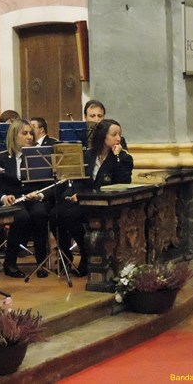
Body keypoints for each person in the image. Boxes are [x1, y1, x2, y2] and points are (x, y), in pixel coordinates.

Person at [50, 118, 133, 276]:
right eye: (114, 134)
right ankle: (69, 253)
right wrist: (76, 194)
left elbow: (123, 181)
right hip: (85, 199)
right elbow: (80, 180)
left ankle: (87, 253)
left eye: (119, 135)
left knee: (70, 215)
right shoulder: (88, 156)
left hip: (105, 203)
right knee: (55, 213)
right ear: (103, 136)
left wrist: (116, 158)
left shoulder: (123, 158)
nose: (118, 138)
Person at [0, 119, 51, 278]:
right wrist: (3, 197)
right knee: (21, 217)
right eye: (25, 133)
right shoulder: (0, 158)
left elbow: (49, 183)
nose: (29, 137)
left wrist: (39, 194)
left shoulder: (39, 156)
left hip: (33, 198)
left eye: (31, 133)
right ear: (14, 135)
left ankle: (41, 262)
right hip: (13, 200)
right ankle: (10, 262)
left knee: (40, 214)